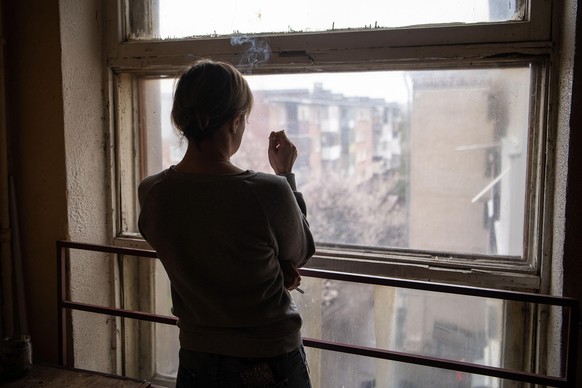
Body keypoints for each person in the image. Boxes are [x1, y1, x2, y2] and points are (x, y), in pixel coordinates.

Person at [138, 59, 315, 387]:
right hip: (268, 359)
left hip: (197, 357)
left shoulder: (152, 192)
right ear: (235, 121)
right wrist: (286, 177)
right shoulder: (267, 191)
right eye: (244, 119)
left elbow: (200, 249)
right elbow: (301, 251)